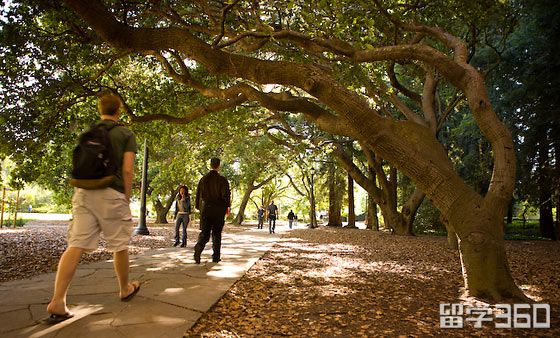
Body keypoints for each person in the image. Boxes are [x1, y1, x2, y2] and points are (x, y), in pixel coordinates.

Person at [45, 94, 140, 324]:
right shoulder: (125, 133)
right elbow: (128, 170)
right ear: (119, 110)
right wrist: (126, 195)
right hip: (111, 192)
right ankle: (124, 288)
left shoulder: (88, 133)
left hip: (83, 192)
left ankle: (58, 300)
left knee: (75, 244)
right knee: (119, 244)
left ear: (100, 110)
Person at [194, 158, 231, 264]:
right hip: (218, 210)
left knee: (205, 233)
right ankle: (216, 256)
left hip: (206, 209)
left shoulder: (203, 179)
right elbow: (226, 195)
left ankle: (199, 246)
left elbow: (198, 195)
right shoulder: (222, 180)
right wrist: (227, 207)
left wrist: (199, 207)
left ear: (210, 165)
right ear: (219, 166)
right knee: (217, 233)